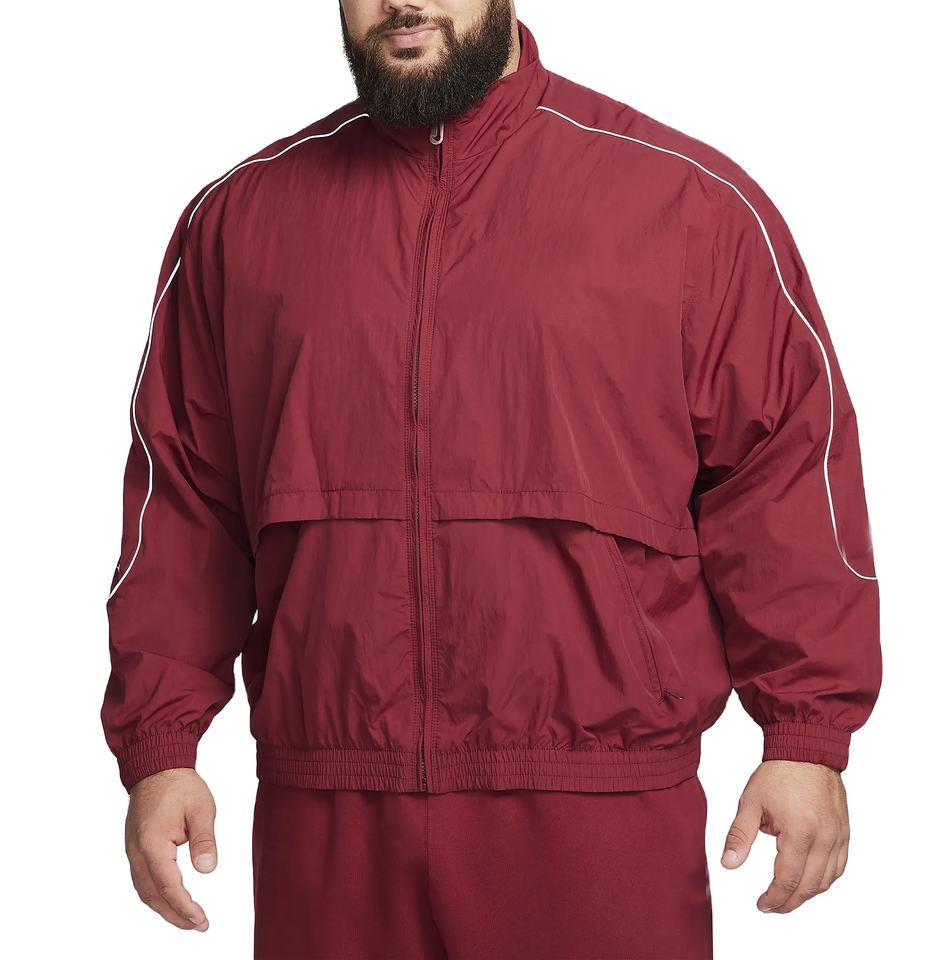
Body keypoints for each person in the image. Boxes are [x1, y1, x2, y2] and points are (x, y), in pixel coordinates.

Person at [101, 2, 882, 957]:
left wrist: (805, 733)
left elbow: (785, 470)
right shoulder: (242, 220)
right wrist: (161, 746)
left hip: (596, 813)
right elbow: (185, 500)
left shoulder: (686, 203)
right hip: (330, 813)